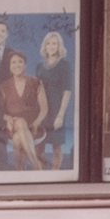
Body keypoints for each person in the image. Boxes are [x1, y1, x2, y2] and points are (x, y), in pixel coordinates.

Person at [0, 49, 46, 170]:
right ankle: (36, 163)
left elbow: (44, 108)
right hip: (12, 124)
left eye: (20, 62)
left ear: (25, 65)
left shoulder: (36, 83)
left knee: (17, 140)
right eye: (13, 62)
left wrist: (36, 123)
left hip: (33, 124)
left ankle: (19, 171)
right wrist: (7, 118)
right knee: (19, 122)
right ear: (9, 66)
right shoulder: (4, 86)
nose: (17, 65)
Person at [36, 30, 73, 169]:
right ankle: (43, 175)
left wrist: (60, 115)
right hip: (42, 111)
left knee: (56, 147)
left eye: (55, 44)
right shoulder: (39, 66)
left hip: (57, 110)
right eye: (49, 43)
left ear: (59, 46)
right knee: (39, 146)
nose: (51, 46)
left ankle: (55, 174)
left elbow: (67, 91)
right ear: (45, 46)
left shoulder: (65, 65)